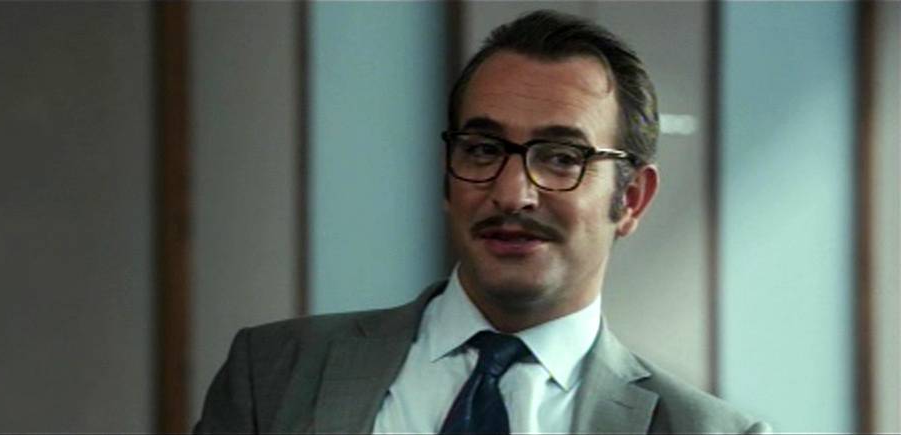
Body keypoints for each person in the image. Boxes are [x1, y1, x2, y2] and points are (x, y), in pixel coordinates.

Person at [195, 10, 770, 434]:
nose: (512, 193)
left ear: (632, 200)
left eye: (561, 158)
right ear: (447, 173)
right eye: (483, 149)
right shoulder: (274, 372)